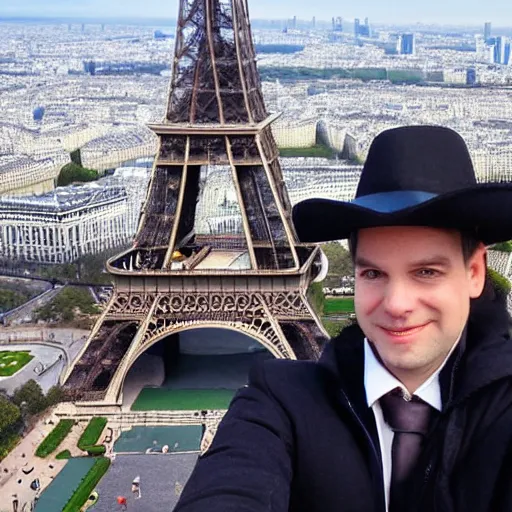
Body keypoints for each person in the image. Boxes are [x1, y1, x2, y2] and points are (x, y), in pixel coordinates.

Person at [174, 126, 512, 512]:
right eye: (372, 274)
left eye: (426, 272)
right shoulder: (278, 398)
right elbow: (230, 488)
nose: (397, 303)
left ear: (474, 273)